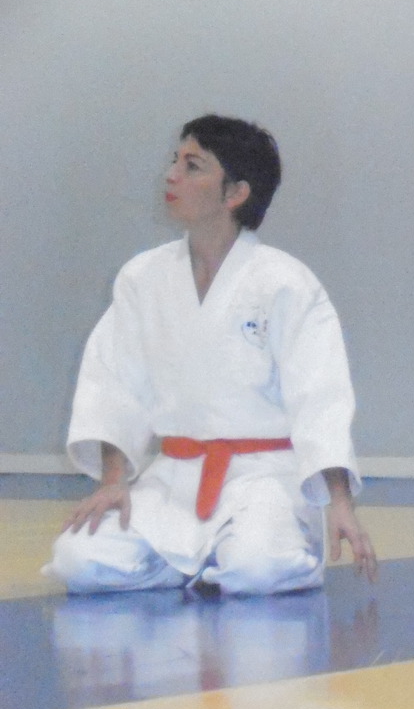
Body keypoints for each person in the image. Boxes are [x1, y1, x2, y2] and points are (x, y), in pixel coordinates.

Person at [45, 114, 377, 595]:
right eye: (174, 160)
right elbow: (114, 384)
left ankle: (244, 555)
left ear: (236, 193)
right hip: (174, 479)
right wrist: (114, 481)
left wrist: (340, 502)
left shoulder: (285, 283)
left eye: (193, 165)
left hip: (263, 479)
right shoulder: (143, 278)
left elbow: (320, 398)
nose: (171, 175)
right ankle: (194, 561)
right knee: (79, 560)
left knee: (256, 568)